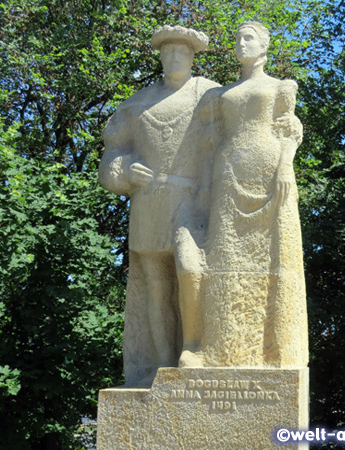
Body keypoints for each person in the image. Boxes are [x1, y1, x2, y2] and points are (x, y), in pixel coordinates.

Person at [99, 25, 219, 386]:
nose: (175, 58)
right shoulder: (138, 102)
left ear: (193, 56)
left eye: (182, 52)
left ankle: (194, 347)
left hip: (191, 199)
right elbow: (112, 157)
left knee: (189, 268)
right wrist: (124, 172)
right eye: (168, 52)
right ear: (161, 57)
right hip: (149, 204)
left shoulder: (209, 95)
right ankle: (162, 363)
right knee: (155, 283)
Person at [199, 21, 308, 368]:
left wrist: (286, 167)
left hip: (269, 172)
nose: (241, 44)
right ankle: (224, 350)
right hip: (229, 174)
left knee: (274, 259)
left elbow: (290, 131)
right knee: (226, 259)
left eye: (248, 38)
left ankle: (275, 352)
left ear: (264, 46)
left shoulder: (281, 87)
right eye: (237, 38)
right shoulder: (220, 95)